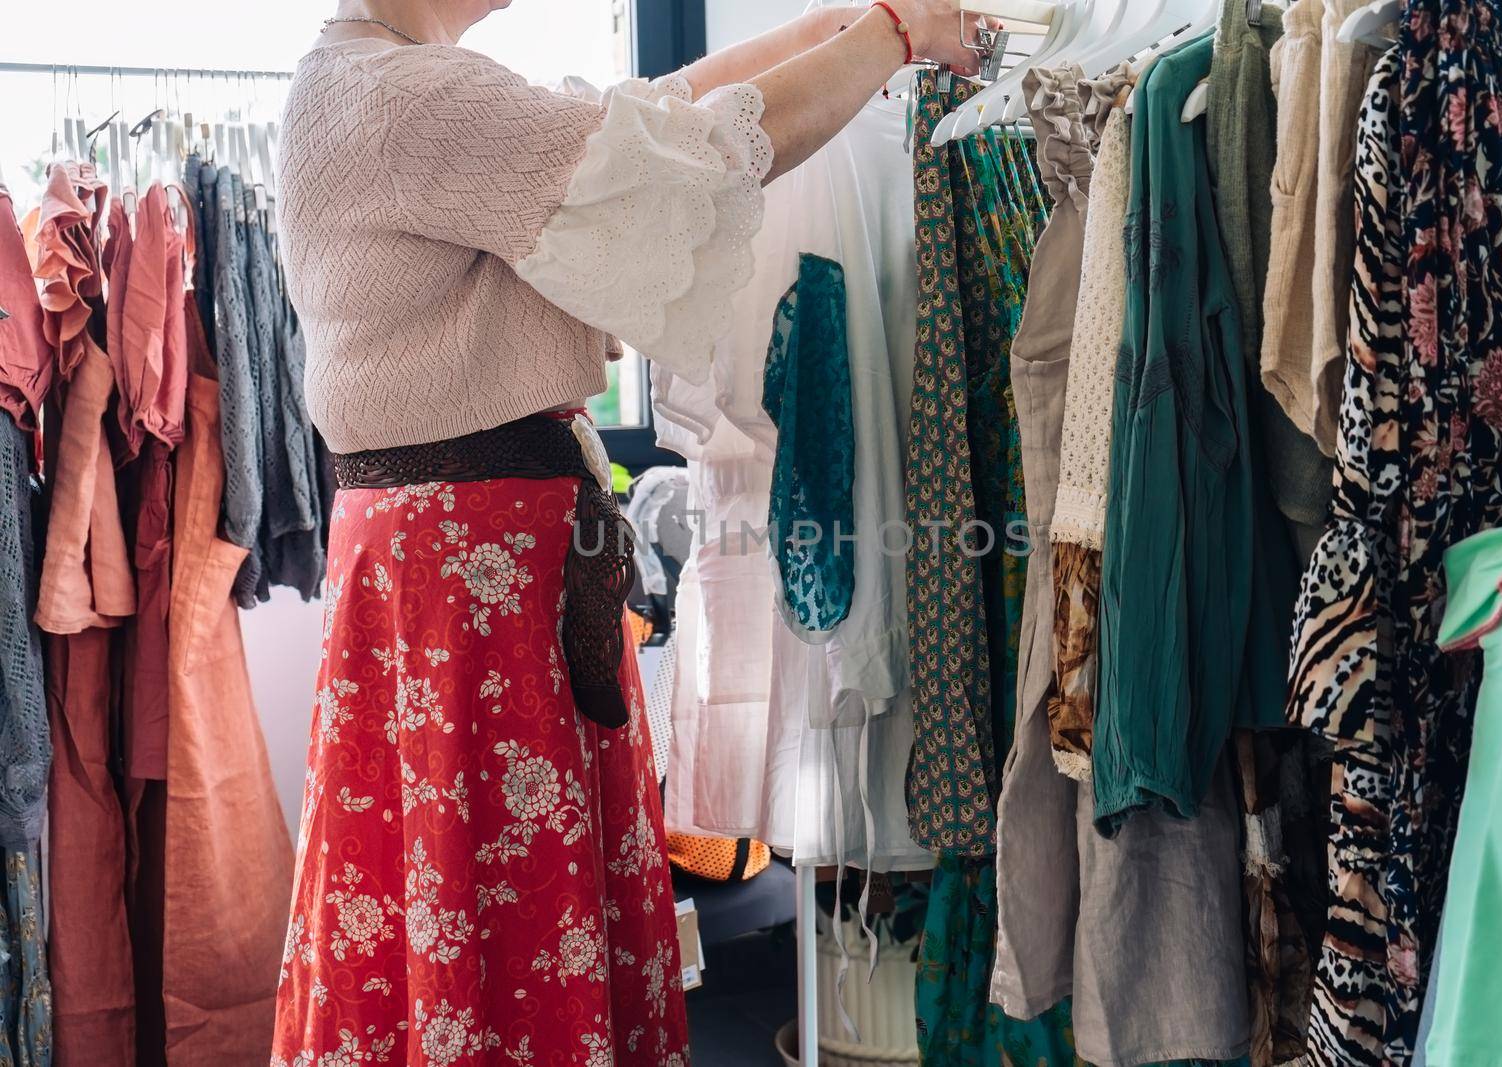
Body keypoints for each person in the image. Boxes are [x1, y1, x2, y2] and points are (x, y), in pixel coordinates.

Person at [268, 2, 982, 1063]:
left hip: (456, 567)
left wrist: (841, 25)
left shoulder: (374, 84)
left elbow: (647, 116)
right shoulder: (403, 99)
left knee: (463, 889)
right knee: (496, 893)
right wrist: (893, 34)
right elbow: (679, 162)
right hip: (476, 578)